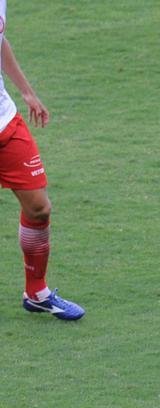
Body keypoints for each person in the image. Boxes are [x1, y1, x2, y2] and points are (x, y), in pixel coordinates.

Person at [1, 3, 83, 320]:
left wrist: (27, 92)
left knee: (39, 207)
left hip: (4, 121)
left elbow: (0, 39)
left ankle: (37, 293)